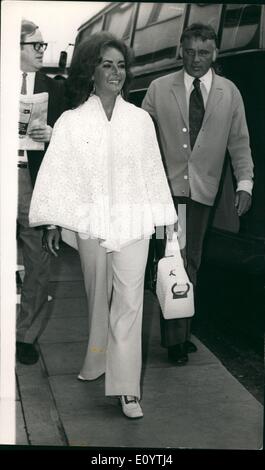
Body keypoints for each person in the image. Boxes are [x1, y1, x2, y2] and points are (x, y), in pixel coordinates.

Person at [29, 32, 177, 419]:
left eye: (121, 65)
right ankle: (97, 360)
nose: (116, 72)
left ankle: (127, 390)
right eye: (107, 64)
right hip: (91, 223)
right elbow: (59, 175)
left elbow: (152, 172)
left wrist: (163, 224)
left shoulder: (141, 120)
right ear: (91, 69)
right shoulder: (73, 122)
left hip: (134, 223)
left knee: (129, 303)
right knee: (99, 299)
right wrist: (51, 224)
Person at [142, 23, 254, 366]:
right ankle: (175, 340)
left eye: (203, 53)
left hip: (203, 192)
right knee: (173, 259)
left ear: (215, 53)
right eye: (189, 52)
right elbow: (140, 139)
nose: (195, 59)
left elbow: (239, 142)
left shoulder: (229, 92)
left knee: (192, 259)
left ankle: (181, 329)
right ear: (180, 50)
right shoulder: (159, 88)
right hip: (166, 192)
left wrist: (244, 183)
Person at [16, 19, 65, 365]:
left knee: (38, 261)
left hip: (33, 182)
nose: (41, 51)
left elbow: (73, 144)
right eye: (35, 45)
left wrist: (54, 135)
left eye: (43, 45)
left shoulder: (55, 88)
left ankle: (25, 336)